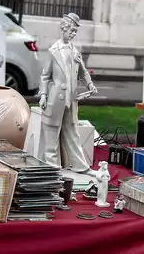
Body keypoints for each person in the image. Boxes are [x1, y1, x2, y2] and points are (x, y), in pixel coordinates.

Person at [38, 12, 97, 171]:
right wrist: (43, 96)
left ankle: (81, 167)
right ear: (64, 28)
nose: (73, 34)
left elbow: (83, 71)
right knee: (51, 134)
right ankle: (52, 169)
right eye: (71, 31)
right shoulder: (53, 51)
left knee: (72, 133)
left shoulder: (75, 51)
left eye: (75, 32)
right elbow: (45, 76)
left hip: (71, 101)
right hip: (55, 99)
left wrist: (90, 84)